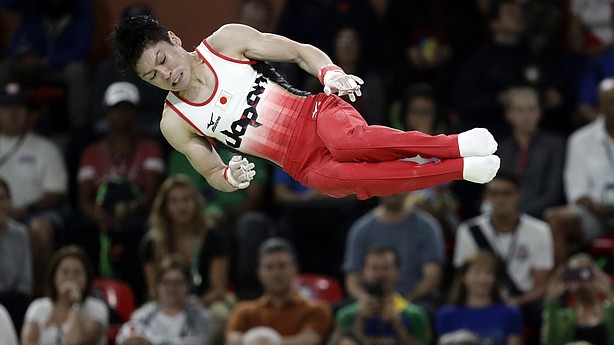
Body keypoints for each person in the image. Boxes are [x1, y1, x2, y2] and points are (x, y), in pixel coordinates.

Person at [110, 15, 500, 201]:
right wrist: (229, 175)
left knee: (350, 144)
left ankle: (454, 145)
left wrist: (329, 72)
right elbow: (210, 170)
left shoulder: (226, 43)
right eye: (152, 76)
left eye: (162, 59)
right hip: (301, 165)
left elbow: (299, 52)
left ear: (174, 39)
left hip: (318, 115)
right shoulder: (174, 122)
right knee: (352, 181)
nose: (166, 74)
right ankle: (461, 169)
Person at [72, 81, 164, 291]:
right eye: (116, 108)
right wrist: (99, 216)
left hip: (136, 213)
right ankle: (86, 289)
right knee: (79, 230)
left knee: (137, 232)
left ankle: (136, 291)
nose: (121, 114)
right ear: (106, 111)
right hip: (101, 212)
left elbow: (151, 191)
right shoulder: (91, 151)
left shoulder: (150, 147)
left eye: (127, 108)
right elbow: (84, 197)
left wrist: (126, 213)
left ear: (135, 111)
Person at [453, 172, 554, 342]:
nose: (501, 200)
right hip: (481, 297)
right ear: (486, 197)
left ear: (518, 196)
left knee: (541, 313)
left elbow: (541, 286)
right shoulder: (469, 231)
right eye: (494, 193)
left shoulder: (540, 231)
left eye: (507, 193)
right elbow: (465, 277)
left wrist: (515, 301)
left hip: (524, 301)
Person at [140, 175, 232, 344]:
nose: (181, 206)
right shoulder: (152, 243)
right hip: (165, 301)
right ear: (165, 207)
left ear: (196, 203)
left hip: (205, 302)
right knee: (139, 321)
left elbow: (218, 289)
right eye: (174, 201)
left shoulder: (213, 238)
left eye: (186, 200)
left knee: (220, 315)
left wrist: (192, 307)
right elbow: (154, 290)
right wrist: (173, 307)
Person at [0, 80, 68, 297]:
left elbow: (55, 192)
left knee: (41, 229)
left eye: (19, 108)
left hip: (31, 214)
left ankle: (39, 297)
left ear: (27, 112)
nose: (13, 113)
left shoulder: (44, 147)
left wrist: (23, 210)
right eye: (7, 107)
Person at [545, 77, 614, 265]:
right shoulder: (580, 139)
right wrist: (597, 208)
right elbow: (576, 188)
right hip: (594, 213)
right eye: (612, 103)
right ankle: (562, 288)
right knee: (555, 219)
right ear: (599, 106)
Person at [342, 192, 445, 316]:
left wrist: (403, 302)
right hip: (370, 300)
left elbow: (432, 276)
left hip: (415, 300)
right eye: (388, 186)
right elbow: (352, 278)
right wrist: (366, 300)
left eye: (398, 185)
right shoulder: (361, 228)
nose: (393, 191)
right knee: (343, 314)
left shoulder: (427, 226)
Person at [225, 237, 332, 345]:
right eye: (269, 267)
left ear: (295, 270)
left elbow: (310, 340)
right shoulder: (244, 311)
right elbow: (233, 340)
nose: (276, 273)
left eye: (282, 266)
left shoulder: (316, 309)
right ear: (259, 273)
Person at [336, 246, 432, 345]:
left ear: (398, 272)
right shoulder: (346, 315)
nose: (380, 274)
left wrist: (399, 327)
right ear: (363, 273)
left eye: (386, 268)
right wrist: (361, 321)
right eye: (374, 268)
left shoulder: (415, 315)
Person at [497, 86, 565, 219]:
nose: (526, 116)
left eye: (531, 110)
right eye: (519, 110)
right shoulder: (501, 149)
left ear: (540, 113)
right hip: (505, 216)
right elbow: (496, 189)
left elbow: (553, 195)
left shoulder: (555, 146)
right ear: (508, 114)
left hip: (541, 216)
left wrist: (518, 214)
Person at [21, 245, 109, 345]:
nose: (71, 278)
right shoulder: (39, 306)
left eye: (77, 273)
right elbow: (28, 342)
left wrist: (75, 304)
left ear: (87, 278)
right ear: (54, 276)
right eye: (65, 272)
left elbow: (74, 342)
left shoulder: (96, 308)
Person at [437, 250, 523, 345]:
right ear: (463, 276)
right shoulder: (447, 315)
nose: (483, 279)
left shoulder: (510, 313)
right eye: (476, 272)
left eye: (489, 273)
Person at [128, 255, 214, 345]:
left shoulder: (201, 317)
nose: (172, 288)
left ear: (187, 285)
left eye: (178, 282)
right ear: (157, 285)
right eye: (167, 282)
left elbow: (203, 341)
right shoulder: (141, 317)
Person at [542, 253, 614, 345]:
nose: (580, 280)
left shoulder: (610, 311)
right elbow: (551, 342)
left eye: (584, 273)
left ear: (595, 275)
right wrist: (551, 301)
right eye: (575, 274)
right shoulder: (564, 318)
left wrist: (608, 292)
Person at [0, 177, 33, 334]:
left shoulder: (20, 233)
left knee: (20, 304)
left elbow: (26, 281)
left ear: (9, 201)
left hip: (12, 300)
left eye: (1, 198)